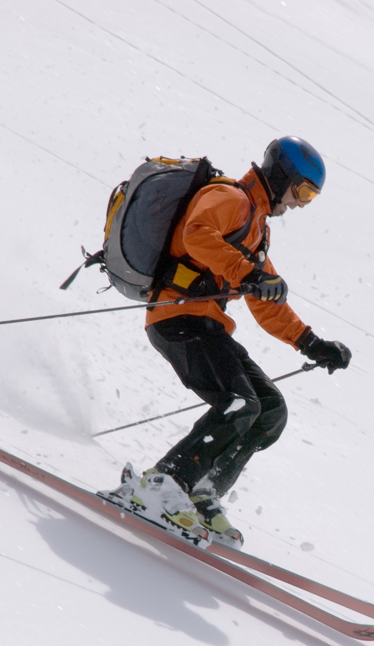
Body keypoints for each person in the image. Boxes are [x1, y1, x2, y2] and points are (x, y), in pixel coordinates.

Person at [121, 137, 351, 546]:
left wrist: (309, 342)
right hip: (177, 318)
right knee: (239, 402)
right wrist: (247, 273)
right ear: (282, 178)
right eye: (303, 191)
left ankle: (201, 490)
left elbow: (266, 302)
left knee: (269, 411)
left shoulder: (257, 230)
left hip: (207, 326)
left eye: (310, 197)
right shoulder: (229, 198)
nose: (300, 203)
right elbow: (197, 234)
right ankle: (163, 482)